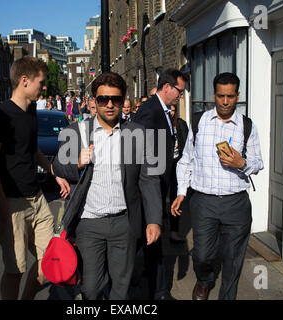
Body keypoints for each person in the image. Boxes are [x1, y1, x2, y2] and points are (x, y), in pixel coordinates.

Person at [52, 72, 162, 300]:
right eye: (103, 99)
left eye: (116, 99)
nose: (110, 105)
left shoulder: (138, 133)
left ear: (123, 100)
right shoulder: (76, 132)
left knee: (121, 288)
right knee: (91, 288)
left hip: (124, 222)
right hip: (89, 223)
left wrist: (153, 219)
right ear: (93, 101)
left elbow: (149, 179)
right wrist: (78, 163)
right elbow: (57, 166)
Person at [0, 56, 70, 300]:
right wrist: (1, 203)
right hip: (11, 203)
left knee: (50, 261)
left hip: (38, 199)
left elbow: (33, 150)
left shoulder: (32, 110)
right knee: (15, 270)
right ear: (24, 80)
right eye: (41, 83)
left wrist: (55, 175)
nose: (44, 87)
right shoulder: (1, 115)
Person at [171, 72, 264, 300]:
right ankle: (205, 279)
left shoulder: (246, 125)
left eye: (230, 96)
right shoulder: (199, 121)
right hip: (204, 202)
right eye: (221, 96)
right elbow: (186, 160)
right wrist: (182, 192)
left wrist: (240, 163)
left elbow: (258, 162)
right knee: (202, 255)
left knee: (233, 261)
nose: (225, 101)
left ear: (237, 96)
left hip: (236, 203)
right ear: (214, 95)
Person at [132, 68, 188, 300]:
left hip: (158, 187)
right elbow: (138, 154)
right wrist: (149, 190)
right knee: (149, 240)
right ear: (167, 87)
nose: (181, 96)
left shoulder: (162, 110)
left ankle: (156, 289)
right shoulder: (149, 111)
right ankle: (154, 292)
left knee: (153, 241)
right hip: (148, 190)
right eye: (180, 91)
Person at [168, 104, 188, 243]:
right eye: (169, 109)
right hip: (163, 165)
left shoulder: (180, 124)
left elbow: (187, 144)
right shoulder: (160, 123)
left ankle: (174, 230)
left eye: (173, 110)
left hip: (177, 164)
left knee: (175, 196)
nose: (171, 112)